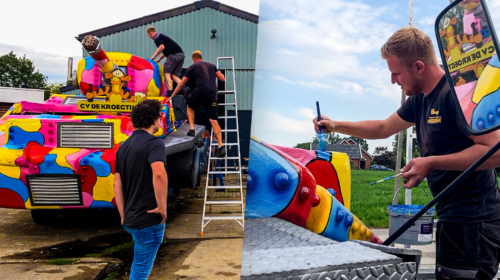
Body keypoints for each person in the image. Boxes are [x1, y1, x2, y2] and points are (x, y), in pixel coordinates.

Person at [313, 27, 500, 280]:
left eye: (396, 73)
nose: (393, 81)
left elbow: (494, 150)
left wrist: (431, 163)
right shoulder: (420, 100)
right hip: (451, 217)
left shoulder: (457, 95)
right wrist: (334, 125)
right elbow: (382, 128)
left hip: (474, 222)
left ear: (419, 67)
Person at [113, 99, 168, 279]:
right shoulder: (154, 143)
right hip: (148, 219)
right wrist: (162, 208)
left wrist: (123, 213)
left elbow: (117, 183)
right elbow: (159, 174)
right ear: (153, 120)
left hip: (131, 218)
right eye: (159, 118)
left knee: (140, 265)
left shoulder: (123, 146)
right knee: (140, 270)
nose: (161, 121)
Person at [170, 50, 226, 158]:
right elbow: (222, 78)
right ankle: (221, 145)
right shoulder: (212, 65)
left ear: (194, 59)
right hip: (212, 94)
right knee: (213, 120)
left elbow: (182, 83)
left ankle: (191, 129)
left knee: (190, 106)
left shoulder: (193, 66)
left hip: (200, 91)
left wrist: (172, 95)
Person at [147, 26, 184, 95]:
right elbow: (165, 51)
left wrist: (153, 56)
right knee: (173, 75)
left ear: (150, 33)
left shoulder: (157, 37)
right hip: (181, 55)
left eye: (149, 36)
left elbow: (161, 47)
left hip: (174, 55)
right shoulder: (162, 37)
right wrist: (159, 59)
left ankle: (170, 92)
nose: (150, 37)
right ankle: (185, 88)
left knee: (166, 72)